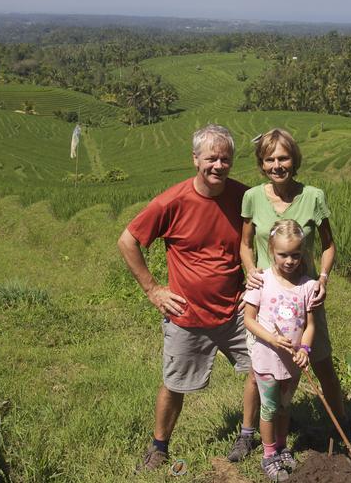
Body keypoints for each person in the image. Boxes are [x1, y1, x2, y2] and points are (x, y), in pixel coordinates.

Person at [117, 124, 260, 472]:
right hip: (187, 314)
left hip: (236, 311)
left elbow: (268, 243)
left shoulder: (245, 198)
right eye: (211, 158)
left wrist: (255, 290)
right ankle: (159, 448)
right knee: (173, 384)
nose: (219, 166)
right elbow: (127, 241)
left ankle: (248, 433)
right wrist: (153, 290)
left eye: (225, 159)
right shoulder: (171, 201)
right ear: (195, 159)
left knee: (261, 368)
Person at [240, 128, 351, 448]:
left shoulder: (313, 196)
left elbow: (329, 245)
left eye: (283, 157)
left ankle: (342, 425)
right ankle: (246, 435)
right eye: (269, 159)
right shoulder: (253, 197)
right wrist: (250, 271)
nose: (276, 165)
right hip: (267, 298)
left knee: (321, 360)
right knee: (259, 370)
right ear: (261, 163)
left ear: (294, 160)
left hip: (304, 297)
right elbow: (244, 245)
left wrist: (323, 278)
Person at [244, 219, 319, 481]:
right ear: (271, 250)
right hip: (266, 359)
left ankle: (283, 445)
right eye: (283, 254)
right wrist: (273, 340)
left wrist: (305, 349)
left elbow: (310, 325)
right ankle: (268, 455)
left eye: (296, 255)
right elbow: (249, 320)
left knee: (285, 407)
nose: (289, 260)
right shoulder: (261, 281)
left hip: (292, 362)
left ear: (304, 253)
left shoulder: (308, 286)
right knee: (269, 408)